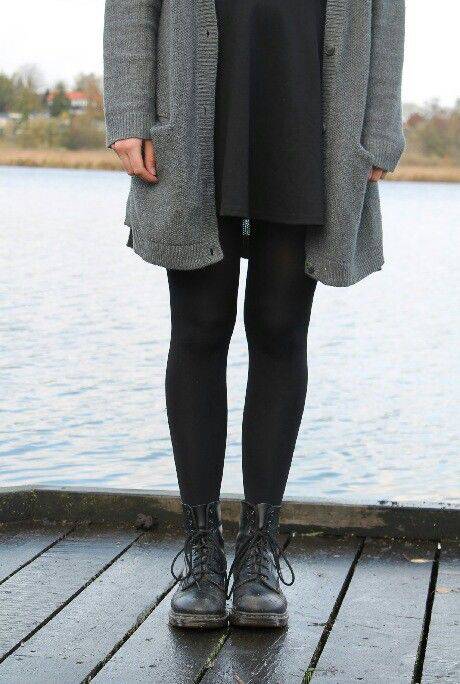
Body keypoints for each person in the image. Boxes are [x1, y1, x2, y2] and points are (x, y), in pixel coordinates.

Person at [103, 0, 405, 629]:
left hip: (308, 97)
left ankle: (259, 552)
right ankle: (203, 554)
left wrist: (379, 124)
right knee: (199, 327)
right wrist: (129, 113)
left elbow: (386, 10)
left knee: (280, 328)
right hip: (194, 102)